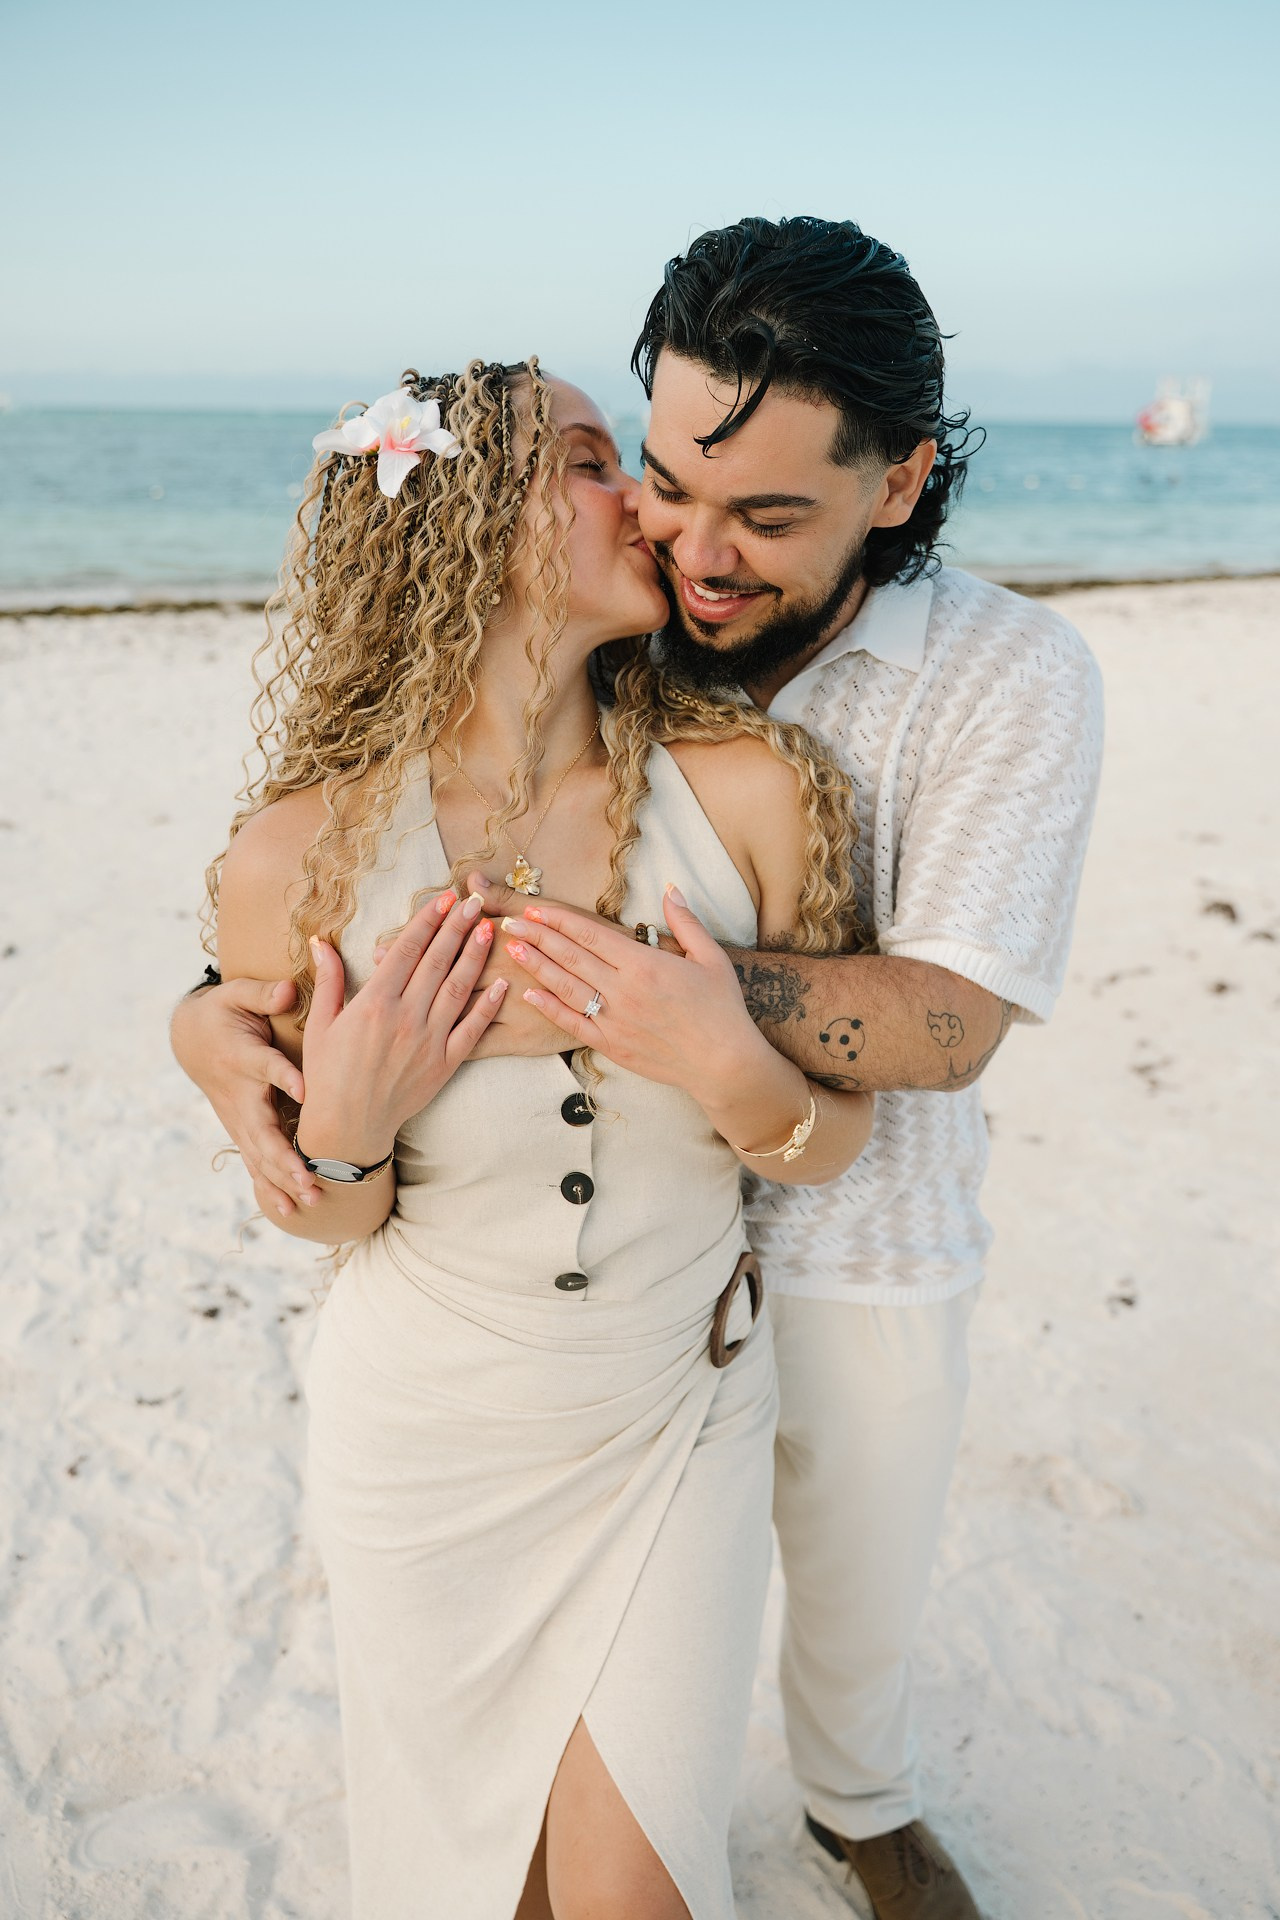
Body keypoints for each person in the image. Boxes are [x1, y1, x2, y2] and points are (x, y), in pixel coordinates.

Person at [175, 218, 1105, 1920]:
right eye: (653, 476)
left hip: (791, 1289)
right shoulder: (619, 656)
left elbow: (951, 1027)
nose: (685, 539)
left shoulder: (972, 691)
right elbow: (340, 959)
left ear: (893, 489)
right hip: (451, 1392)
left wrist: (623, 999)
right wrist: (282, 1067)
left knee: (845, 1609)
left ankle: (861, 1809)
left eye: (762, 517)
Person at [204, 355, 874, 1920]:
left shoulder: (751, 798)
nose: (640, 496)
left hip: (672, 1416)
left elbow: (831, 1145)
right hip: (424, 1437)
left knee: (636, 1897)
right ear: (459, 523)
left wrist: (727, 1065)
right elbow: (320, 1217)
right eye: (589, 461)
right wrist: (353, 1135)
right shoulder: (298, 857)